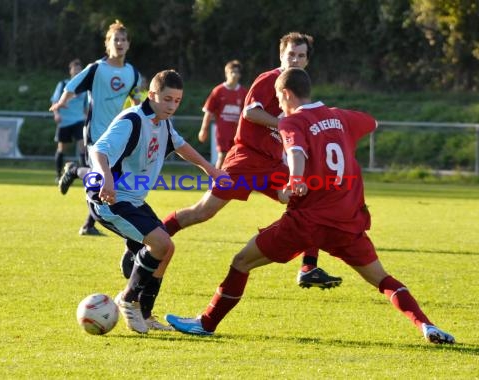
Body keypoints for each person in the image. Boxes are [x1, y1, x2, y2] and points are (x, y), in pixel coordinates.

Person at [165, 68, 456, 345]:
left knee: (242, 261)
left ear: (287, 94)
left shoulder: (291, 121)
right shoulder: (340, 117)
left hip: (307, 222)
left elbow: (294, 150)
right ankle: (426, 325)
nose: (278, 107)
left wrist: (295, 178)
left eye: (279, 100)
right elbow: (371, 122)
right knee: (382, 279)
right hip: (346, 223)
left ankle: (206, 324)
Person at [154, 32, 341, 289]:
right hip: (245, 159)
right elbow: (251, 112)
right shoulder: (270, 79)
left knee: (310, 200)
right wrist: (285, 124)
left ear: (307, 61)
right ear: (281, 55)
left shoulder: (299, 87)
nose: (295, 60)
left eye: (301, 56)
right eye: (291, 55)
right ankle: (152, 239)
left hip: (272, 164)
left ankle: (308, 267)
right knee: (202, 212)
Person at [88, 70, 231, 334]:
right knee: (160, 243)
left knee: (167, 249)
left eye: (177, 101)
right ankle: (127, 299)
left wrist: (211, 170)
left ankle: (145, 313)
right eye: (167, 99)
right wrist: (106, 177)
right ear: (152, 95)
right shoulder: (132, 120)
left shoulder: (162, 122)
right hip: (110, 199)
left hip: (132, 199)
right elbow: (98, 150)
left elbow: (180, 145)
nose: (172, 106)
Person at [50, 20, 142, 236]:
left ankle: (88, 224)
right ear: (108, 44)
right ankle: (74, 170)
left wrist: (142, 117)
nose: (119, 43)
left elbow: (136, 99)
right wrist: (62, 101)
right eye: (115, 39)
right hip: (96, 133)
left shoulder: (132, 73)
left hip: (118, 134)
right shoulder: (97, 69)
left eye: (123, 40)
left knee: (112, 182)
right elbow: (72, 85)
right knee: (100, 177)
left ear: (128, 44)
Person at [198, 60, 248, 169]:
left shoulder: (244, 92)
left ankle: (231, 182)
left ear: (240, 75)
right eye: (232, 72)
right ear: (227, 73)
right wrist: (203, 129)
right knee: (222, 156)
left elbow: (247, 113)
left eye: (237, 72)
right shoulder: (218, 91)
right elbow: (208, 111)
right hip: (223, 131)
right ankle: (214, 182)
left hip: (238, 132)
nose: (234, 74)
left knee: (237, 158)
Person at [50, 59, 88, 182]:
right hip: (65, 121)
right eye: (75, 70)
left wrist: (88, 120)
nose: (77, 72)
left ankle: (86, 176)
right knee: (62, 148)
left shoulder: (84, 88)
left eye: (79, 71)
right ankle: (58, 174)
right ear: (70, 71)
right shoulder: (63, 85)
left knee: (83, 147)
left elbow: (86, 107)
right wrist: (56, 114)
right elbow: (55, 101)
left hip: (79, 120)